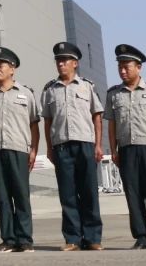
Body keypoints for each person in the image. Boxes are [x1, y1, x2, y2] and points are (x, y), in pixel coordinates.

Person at [106, 43, 146, 250]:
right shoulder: (114, 94)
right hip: (127, 149)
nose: (123, 71)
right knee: (133, 195)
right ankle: (141, 237)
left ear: (139, 67)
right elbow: (111, 124)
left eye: (127, 67)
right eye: (120, 67)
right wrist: (114, 149)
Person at [40, 41, 104, 251]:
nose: (61, 64)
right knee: (67, 194)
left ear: (75, 63)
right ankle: (73, 239)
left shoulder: (87, 86)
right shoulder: (50, 90)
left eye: (65, 60)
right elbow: (47, 121)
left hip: (85, 144)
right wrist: (49, 147)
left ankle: (93, 238)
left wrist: (98, 145)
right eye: (58, 60)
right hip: (61, 146)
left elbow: (97, 117)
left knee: (89, 192)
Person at [0, 46, 41, 253]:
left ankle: (25, 239)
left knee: (21, 195)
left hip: (18, 150)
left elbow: (34, 125)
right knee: (2, 197)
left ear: (12, 69)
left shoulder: (26, 94)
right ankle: (9, 240)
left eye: (1, 65)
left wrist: (33, 150)